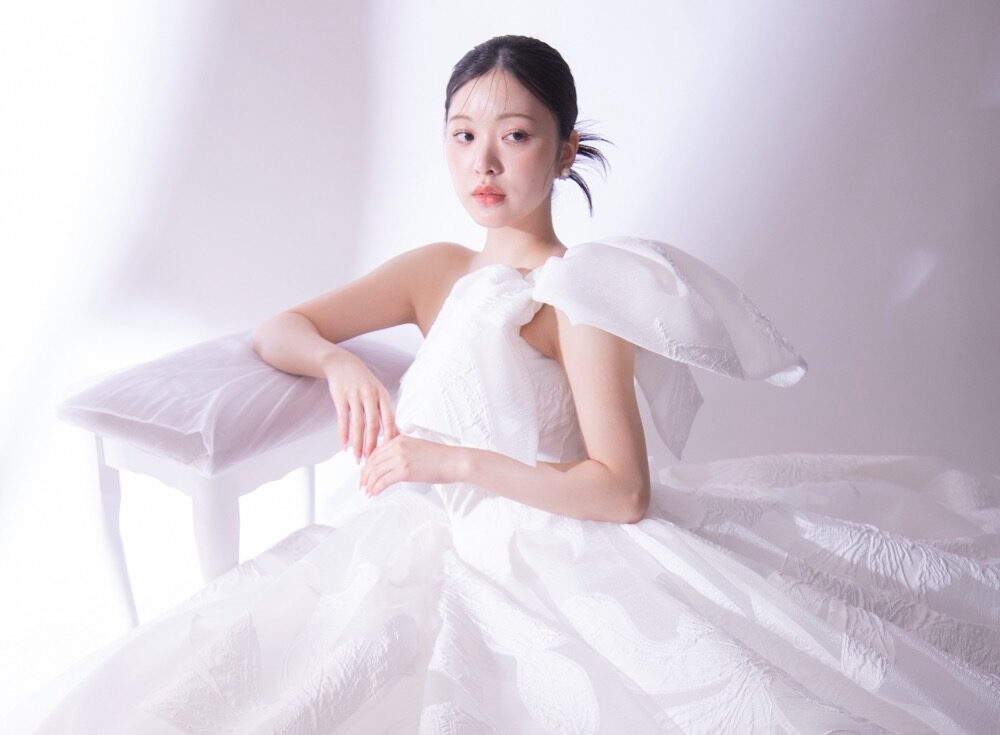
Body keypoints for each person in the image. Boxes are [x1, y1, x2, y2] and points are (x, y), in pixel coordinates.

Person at [3, 34, 998, 735]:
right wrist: (341, 362)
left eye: (515, 135)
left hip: (546, 546)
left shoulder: (581, 291)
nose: (483, 160)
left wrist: (451, 462)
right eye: (462, 134)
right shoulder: (437, 270)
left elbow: (621, 488)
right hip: (403, 530)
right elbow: (283, 326)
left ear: (566, 151)